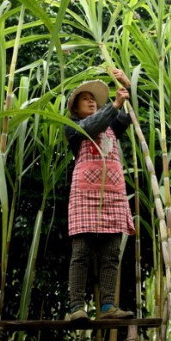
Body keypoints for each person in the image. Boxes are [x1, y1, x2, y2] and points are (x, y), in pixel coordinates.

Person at [64, 69, 136, 321]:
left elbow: (131, 117)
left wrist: (129, 89)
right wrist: (115, 104)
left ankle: (107, 307)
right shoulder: (74, 127)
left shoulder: (112, 127)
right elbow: (94, 125)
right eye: (85, 99)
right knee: (81, 253)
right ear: (75, 108)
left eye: (94, 98)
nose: (92, 101)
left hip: (113, 197)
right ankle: (76, 308)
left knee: (111, 254)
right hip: (85, 196)